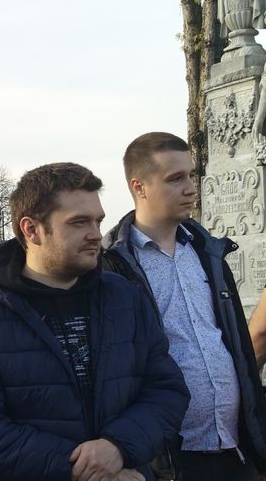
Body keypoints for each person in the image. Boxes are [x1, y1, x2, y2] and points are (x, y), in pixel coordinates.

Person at [0, 163, 190, 481]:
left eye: (98, 221)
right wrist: (87, 472)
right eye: (78, 222)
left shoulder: (124, 297)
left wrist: (117, 447)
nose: (95, 235)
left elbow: (166, 390)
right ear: (32, 229)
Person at [103, 132, 266, 480]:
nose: (190, 187)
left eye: (191, 175)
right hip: (167, 458)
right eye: (175, 179)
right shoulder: (112, 266)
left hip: (234, 448)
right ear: (139, 187)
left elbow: (233, 342)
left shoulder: (209, 253)